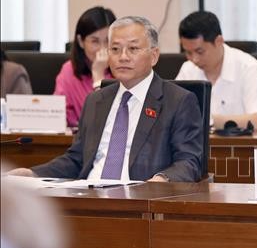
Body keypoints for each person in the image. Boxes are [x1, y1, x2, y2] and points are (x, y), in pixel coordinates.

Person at [7, 16, 203, 182]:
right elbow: (76, 160)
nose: (123, 57)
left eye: (133, 49)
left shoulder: (178, 101)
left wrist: (162, 179)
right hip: (89, 197)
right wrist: (32, 173)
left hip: (141, 203)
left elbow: (189, 162)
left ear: (154, 56)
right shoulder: (95, 101)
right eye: (115, 49)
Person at [175, 11, 257, 132]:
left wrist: (208, 120)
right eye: (188, 52)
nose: (194, 59)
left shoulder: (248, 67)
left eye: (200, 52)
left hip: (243, 148)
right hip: (199, 148)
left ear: (219, 41)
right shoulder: (188, 69)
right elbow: (173, 114)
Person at [55, 6, 116, 127]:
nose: (102, 48)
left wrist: (98, 75)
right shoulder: (69, 71)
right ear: (81, 41)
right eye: (95, 41)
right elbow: (58, 115)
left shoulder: (124, 70)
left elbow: (110, 121)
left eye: (108, 41)